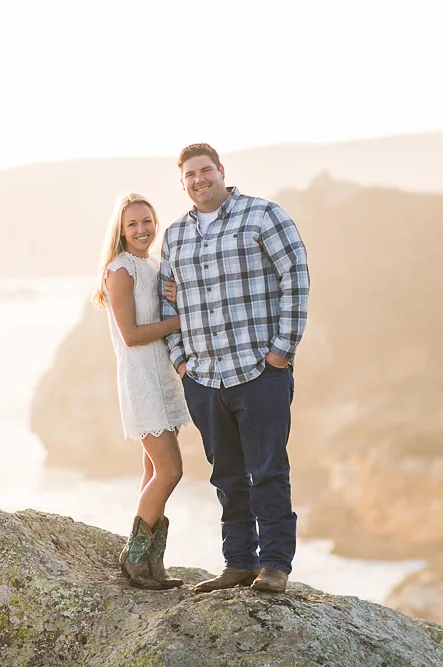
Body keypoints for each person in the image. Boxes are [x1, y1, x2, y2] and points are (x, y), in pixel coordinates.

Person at [159, 143, 310, 594]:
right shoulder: (174, 236)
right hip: (204, 378)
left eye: (206, 170)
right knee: (226, 475)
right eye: (190, 174)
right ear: (182, 182)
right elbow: (165, 299)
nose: (199, 179)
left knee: (267, 470)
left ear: (221, 171)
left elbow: (296, 278)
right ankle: (239, 562)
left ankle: (276, 565)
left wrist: (281, 353)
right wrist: (180, 360)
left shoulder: (264, 216)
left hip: (259, 372)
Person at [92, 192, 192, 590]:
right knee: (171, 470)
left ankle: (152, 564)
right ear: (121, 229)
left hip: (163, 376)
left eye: (147, 221)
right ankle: (133, 557)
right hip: (141, 379)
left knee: (153, 471)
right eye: (132, 224)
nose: (141, 229)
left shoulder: (152, 266)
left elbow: (162, 312)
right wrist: (179, 321)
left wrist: (176, 299)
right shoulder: (120, 270)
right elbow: (131, 335)